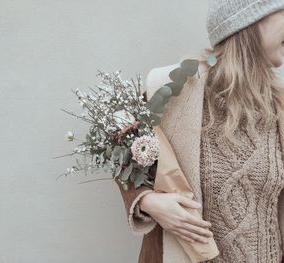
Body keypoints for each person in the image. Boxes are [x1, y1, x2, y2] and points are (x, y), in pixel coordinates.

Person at [115, 1, 284, 262]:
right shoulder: (175, 89)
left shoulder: (278, 106)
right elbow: (120, 142)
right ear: (249, 21)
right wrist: (148, 202)